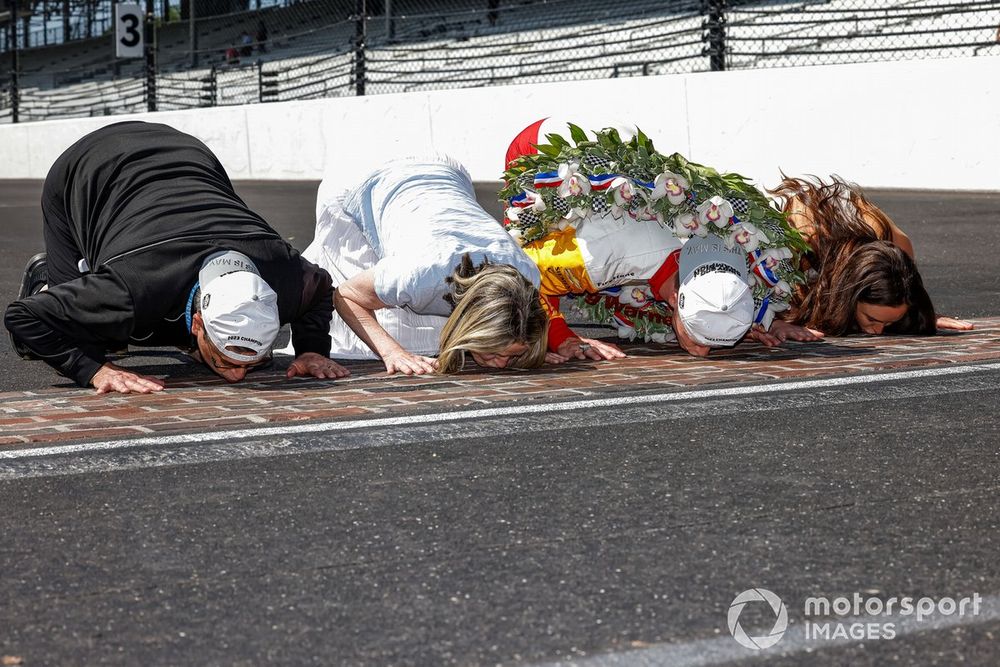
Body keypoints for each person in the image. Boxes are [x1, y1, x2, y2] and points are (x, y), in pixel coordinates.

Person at [4, 121, 348, 394]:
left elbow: (321, 289)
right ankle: (54, 280)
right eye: (226, 360)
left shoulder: (283, 275)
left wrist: (310, 349)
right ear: (199, 322)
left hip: (190, 156)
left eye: (247, 361)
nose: (236, 378)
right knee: (89, 338)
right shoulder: (131, 289)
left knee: (136, 323)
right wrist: (93, 371)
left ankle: (177, 339)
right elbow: (23, 317)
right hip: (87, 167)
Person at [503, 120, 821, 359]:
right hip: (545, 150)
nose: (700, 354)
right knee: (532, 237)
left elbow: (747, 282)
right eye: (698, 338)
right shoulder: (601, 259)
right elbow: (523, 273)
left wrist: (769, 320)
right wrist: (561, 336)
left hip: (617, 165)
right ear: (676, 301)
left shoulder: (728, 248)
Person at [304, 155, 551, 375]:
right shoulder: (421, 275)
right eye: (495, 352)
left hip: (446, 172)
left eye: (511, 356)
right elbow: (346, 295)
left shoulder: (527, 276)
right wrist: (392, 353)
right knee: (375, 324)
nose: (500, 365)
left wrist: (535, 350)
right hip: (361, 175)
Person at [770, 176, 974, 335]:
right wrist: (772, 322)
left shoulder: (898, 245)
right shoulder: (803, 235)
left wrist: (919, 317)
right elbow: (750, 281)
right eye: (872, 320)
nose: (877, 332)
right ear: (850, 295)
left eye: (888, 323)